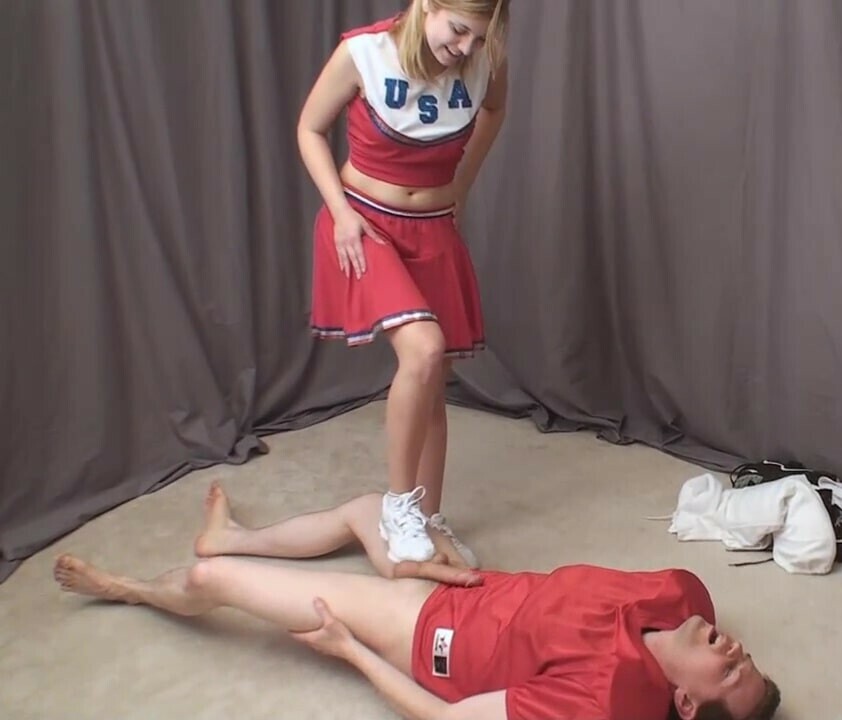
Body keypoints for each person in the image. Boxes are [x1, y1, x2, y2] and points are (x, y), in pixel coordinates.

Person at [54, 483, 783, 720]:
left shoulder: (601, 702)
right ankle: (233, 535)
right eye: (743, 657)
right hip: (468, 585)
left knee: (210, 583)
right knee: (368, 507)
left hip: (426, 631)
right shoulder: (682, 595)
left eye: (728, 673)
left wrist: (349, 650)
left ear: (685, 704)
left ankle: (127, 589)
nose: (733, 650)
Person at [298, 0, 511, 568]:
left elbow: (494, 110)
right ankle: (398, 506)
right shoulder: (364, 51)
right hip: (366, 223)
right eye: (458, 30)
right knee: (423, 350)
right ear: (426, 5)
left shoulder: (485, 60)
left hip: (433, 227)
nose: (466, 48)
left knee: (433, 381)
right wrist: (340, 213)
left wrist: (461, 185)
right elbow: (310, 128)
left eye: (479, 38)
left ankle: (429, 517)